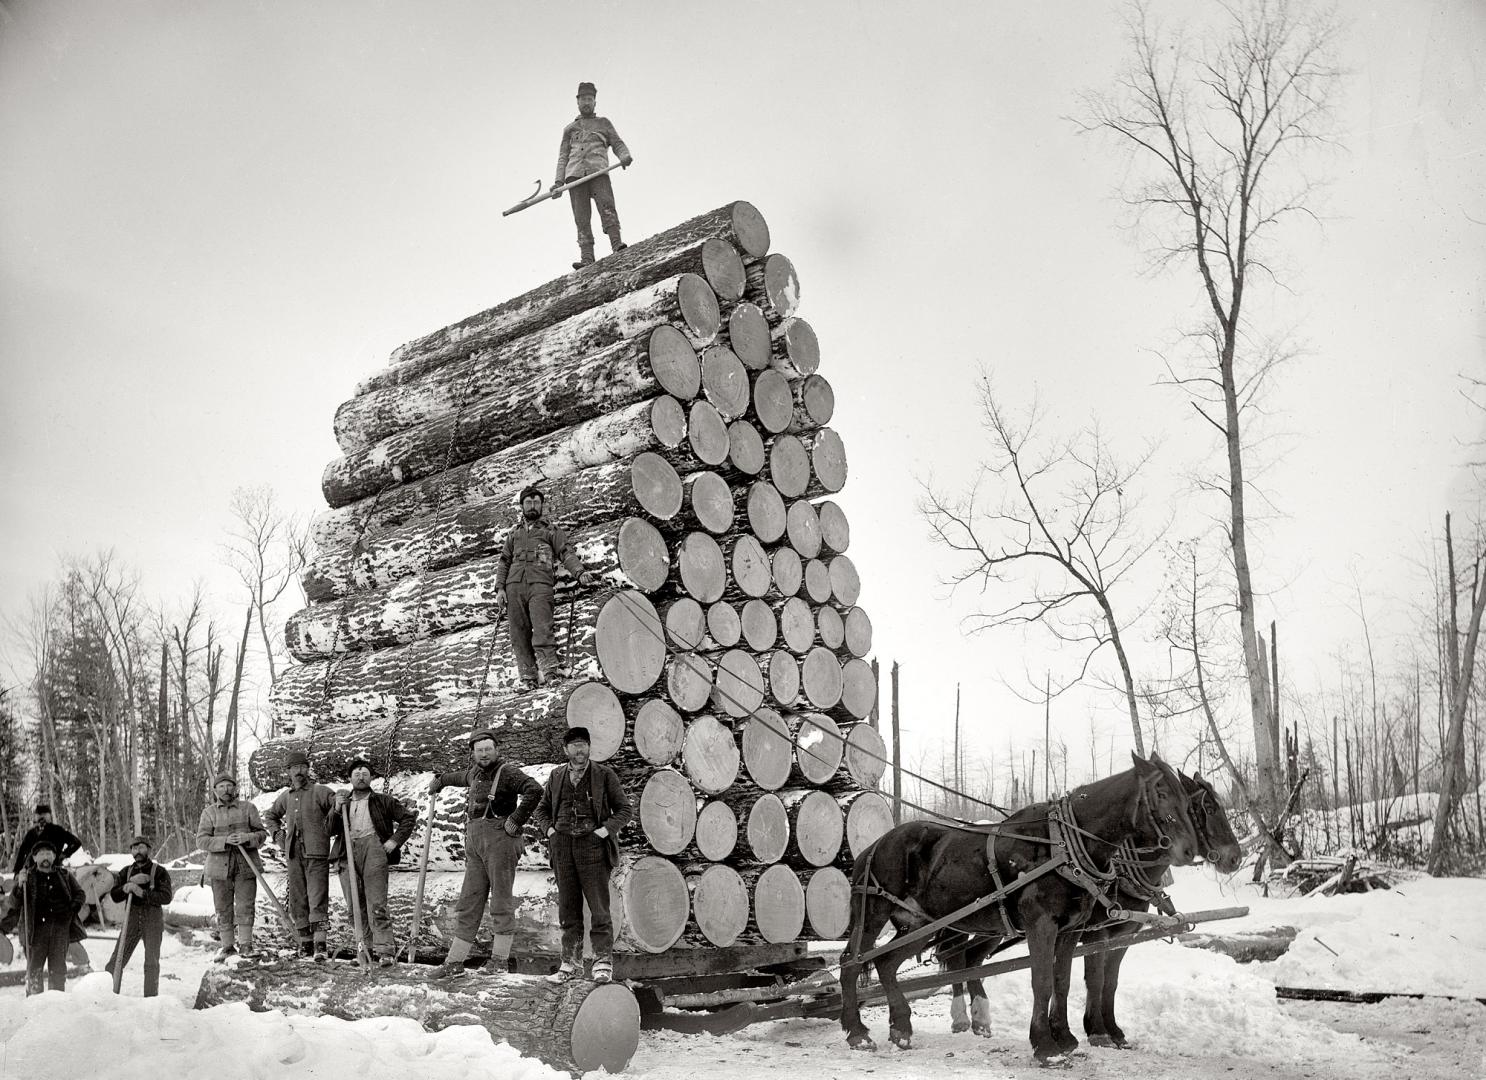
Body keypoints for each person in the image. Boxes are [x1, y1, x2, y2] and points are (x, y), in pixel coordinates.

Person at [428, 730, 542, 979]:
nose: (484, 753)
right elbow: (458, 777)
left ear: (496, 750)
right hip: (475, 842)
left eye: (488, 749)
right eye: (479, 750)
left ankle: (499, 960)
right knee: (469, 900)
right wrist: (441, 780)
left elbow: (534, 790)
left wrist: (516, 819)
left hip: (500, 840)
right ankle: (455, 961)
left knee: (500, 900)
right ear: (473, 753)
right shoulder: (475, 774)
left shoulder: (508, 772)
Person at [531, 726, 631, 984]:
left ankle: (602, 962)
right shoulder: (556, 776)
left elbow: (624, 810)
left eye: (583, 744)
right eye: (574, 745)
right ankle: (570, 963)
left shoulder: (604, 775)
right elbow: (541, 810)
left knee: (599, 908)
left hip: (593, 847)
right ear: (566, 750)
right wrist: (550, 831)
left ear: (589, 747)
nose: (579, 750)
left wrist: (604, 831)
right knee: (568, 909)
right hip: (563, 848)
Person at [494, 485, 600, 689]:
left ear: (541, 505)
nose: (532, 506)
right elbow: (504, 560)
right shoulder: (514, 534)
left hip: (540, 586)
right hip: (514, 587)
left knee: (543, 629)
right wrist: (500, 588)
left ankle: (551, 673)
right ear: (522, 506)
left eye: (536, 502)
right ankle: (528, 679)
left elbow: (565, 552)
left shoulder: (551, 530)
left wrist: (579, 572)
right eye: (528, 502)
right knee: (518, 633)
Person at [328, 757, 416, 967]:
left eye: (365, 774)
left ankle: (384, 951)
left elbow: (408, 818)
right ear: (350, 778)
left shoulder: (382, 801)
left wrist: (394, 841)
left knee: (376, 903)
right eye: (356, 774)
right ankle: (363, 950)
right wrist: (337, 810)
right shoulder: (343, 801)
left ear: (371, 778)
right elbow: (329, 830)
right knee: (354, 906)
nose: (360, 777)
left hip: (374, 850)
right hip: (347, 853)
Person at [262, 749, 338, 960]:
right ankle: (305, 943)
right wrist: (279, 837)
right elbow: (271, 816)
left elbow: (337, 803)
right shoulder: (286, 797)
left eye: (302, 767)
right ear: (288, 772)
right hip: (294, 855)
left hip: (317, 854)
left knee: (318, 899)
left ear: (308, 769)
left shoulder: (320, 791)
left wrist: (340, 799)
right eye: (294, 768)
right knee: (298, 901)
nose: (298, 771)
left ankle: (320, 945)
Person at [551, 81, 633, 270]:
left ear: (595, 102)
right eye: (583, 99)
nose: (587, 102)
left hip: (598, 172)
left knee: (607, 206)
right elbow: (563, 157)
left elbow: (617, 143)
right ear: (577, 102)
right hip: (574, 177)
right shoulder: (569, 129)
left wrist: (624, 156)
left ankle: (616, 245)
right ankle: (587, 257)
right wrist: (557, 182)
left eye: (590, 99)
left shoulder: (603, 123)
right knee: (581, 217)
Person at [1, 838, 86, 994]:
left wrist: (72, 909)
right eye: (41, 854)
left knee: (58, 970)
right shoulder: (26, 877)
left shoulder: (65, 875)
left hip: (60, 931)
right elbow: (14, 903)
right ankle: (35, 1004)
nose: (45, 857)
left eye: (49, 853)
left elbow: (80, 894)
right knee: (34, 970)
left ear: (54, 857)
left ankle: (56, 1002)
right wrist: (19, 885)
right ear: (34, 858)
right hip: (35, 932)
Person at [196, 772, 267, 961]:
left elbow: (262, 834)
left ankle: (246, 945)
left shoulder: (248, 808)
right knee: (222, 907)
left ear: (234, 788)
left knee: (245, 905)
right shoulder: (209, 812)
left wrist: (247, 838)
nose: (226, 790)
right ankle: (227, 946)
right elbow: (201, 841)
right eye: (221, 787)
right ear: (215, 791)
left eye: (229, 786)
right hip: (219, 869)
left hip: (246, 865)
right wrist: (224, 841)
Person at [102, 835, 174, 996]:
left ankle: (150, 999)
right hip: (131, 918)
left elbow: (166, 897)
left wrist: (142, 892)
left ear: (149, 850)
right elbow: (114, 895)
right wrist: (125, 888)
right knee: (117, 959)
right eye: (134, 848)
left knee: (151, 962)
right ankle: (109, 995)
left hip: (152, 919)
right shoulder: (125, 872)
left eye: (141, 847)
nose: (137, 851)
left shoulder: (160, 872)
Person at [12, 804, 83, 874]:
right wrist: (17, 871)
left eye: (43, 819)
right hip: (33, 872)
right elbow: (22, 852)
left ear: (48, 818)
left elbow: (76, 843)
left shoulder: (58, 831)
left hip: (54, 870)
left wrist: (63, 855)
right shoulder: (31, 833)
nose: (41, 824)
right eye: (39, 820)